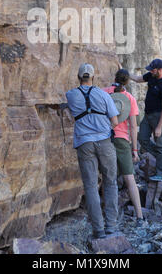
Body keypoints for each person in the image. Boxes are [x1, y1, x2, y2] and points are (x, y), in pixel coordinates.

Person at [66, 63, 119, 239]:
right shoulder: (103, 95)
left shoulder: (71, 95)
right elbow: (115, 121)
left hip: (84, 143)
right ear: (93, 77)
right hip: (104, 142)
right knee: (110, 182)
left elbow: (68, 108)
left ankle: (99, 230)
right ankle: (111, 225)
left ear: (78, 77)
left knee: (90, 186)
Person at [103, 69, 144, 227]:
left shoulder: (104, 92)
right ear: (127, 82)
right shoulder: (129, 98)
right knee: (129, 178)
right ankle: (139, 217)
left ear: (115, 77)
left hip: (105, 138)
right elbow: (133, 127)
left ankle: (107, 216)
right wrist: (135, 150)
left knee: (108, 178)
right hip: (121, 140)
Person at [129, 58, 162, 183]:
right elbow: (138, 79)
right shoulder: (151, 76)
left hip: (158, 116)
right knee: (142, 138)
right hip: (148, 115)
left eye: (153, 69)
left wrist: (159, 127)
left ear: (160, 70)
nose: (150, 71)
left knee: (160, 143)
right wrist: (126, 74)